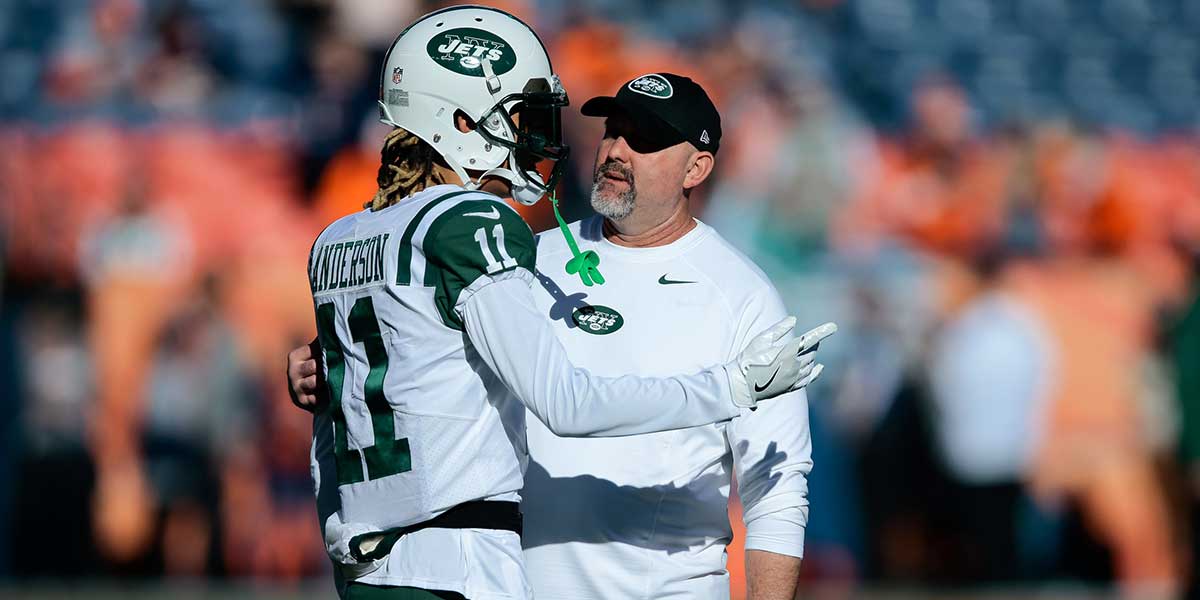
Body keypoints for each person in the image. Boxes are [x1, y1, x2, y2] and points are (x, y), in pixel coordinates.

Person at [293, 7, 835, 600]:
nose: (617, 150)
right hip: (505, 577)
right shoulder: (522, 251)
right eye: (612, 129)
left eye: (646, 140)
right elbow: (458, 373)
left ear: (697, 167)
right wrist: (320, 367)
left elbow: (778, 485)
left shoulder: (743, 292)